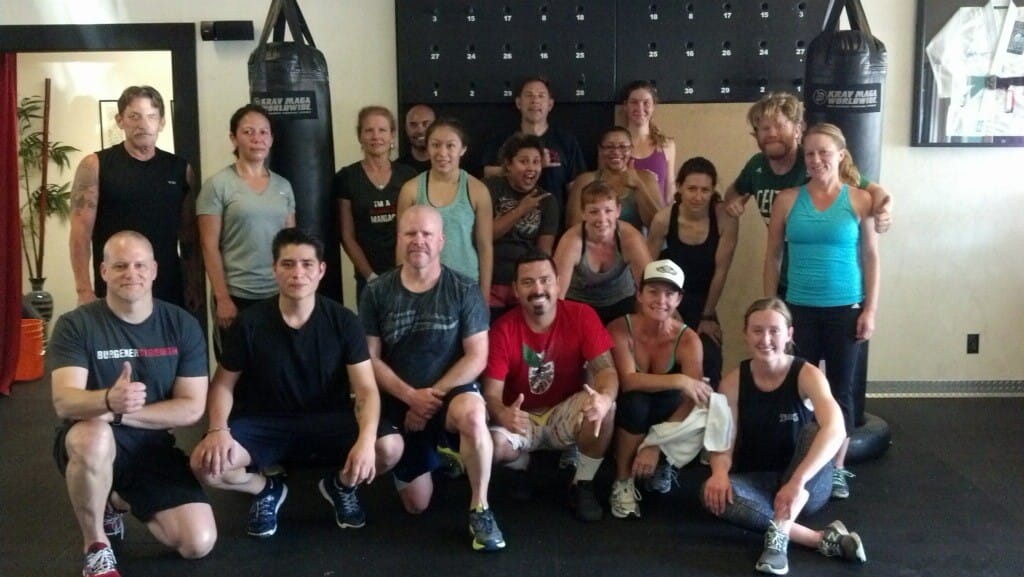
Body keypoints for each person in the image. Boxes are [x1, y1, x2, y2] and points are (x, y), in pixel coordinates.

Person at [190, 228, 403, 537]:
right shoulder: (250, 323)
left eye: (307, 264)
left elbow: (366, 390)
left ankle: (341, 486)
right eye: (288, 264)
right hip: (268, 423)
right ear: (274, 269)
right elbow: (222, 384)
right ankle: (265, 488)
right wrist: (217, 429)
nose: (298, 273)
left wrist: (367, 441)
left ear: (321, 270)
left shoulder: (344, 321)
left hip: (329, 420)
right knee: (204, 465)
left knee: (390, 447)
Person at [49, 231, 216, 577]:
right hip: (89, 437)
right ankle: (96, 546)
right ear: (104, 271)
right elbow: (65, 401)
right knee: (93, 437)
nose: (131, 273)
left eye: (140, 265)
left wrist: (118, 412)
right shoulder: (76, 325)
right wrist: (106, 399)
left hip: (151, 445)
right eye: (120, 265)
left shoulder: (181, 325)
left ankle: (114, 498)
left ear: (154, 270)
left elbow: (191, 407)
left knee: (197, 543)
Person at [359, 205, 505, 552]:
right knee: (417, 505)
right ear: (399, 239)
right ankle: (442, 455)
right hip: (400, 399)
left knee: (474, 415)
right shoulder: (377, 291)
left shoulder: (464, 289)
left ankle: (480, 508)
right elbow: (369, 360)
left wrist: (428, 399)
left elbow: (477, 356)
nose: (418, 241)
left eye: (426, 234)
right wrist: (411, 397)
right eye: (410, 233)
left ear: (441, 241)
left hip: (449, 395)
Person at [702, 298, 867, 575]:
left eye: (774, 331)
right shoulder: (733, 381)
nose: (765, 339)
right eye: (757, 331)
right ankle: (818, 538)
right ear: (746, 334)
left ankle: (778, 539)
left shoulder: (807, 374)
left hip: (807, 486)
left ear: (789, 334)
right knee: (712, 494)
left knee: (816, 430)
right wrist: (719, 473)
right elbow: (722, 439)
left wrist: (797, 481)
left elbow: (837, 428)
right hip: (760, 481)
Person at [765, 123, 880, 501]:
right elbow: (773, 255)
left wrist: (870, 309)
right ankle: (800, 463)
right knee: (797, 389)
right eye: (810, 154)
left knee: (840, 392)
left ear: (840, 155)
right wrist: (772, 309)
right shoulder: (787, 200)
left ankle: (837, 468)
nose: (816, 160)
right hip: (798, 309)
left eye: (824, 153)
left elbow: (871, 257)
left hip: (845, 309)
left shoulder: (859, 200)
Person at [484, 250, 617, 522]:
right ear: (516, 290)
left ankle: (583, 483)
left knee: (607, 409)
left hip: (564, 410)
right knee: (494, 445)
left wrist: (603, 398)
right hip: (522, 416)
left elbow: (606, 370)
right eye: (528, 282)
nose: (538, 289)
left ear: (558, 283)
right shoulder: (502, 329)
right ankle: (519, 466)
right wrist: (502, 413)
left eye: (544, 280)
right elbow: (491, 394)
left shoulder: (582, 315)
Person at [70, 85, 201, 314]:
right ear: (120, 120)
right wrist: (83, 290)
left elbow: (189, 236)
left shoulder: (180, 169)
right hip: (115, 289)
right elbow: (80, 234)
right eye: (134, 116)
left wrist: (194, 285)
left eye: (151, 116)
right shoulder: (96, 165)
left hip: (168, 289)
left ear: (162, 122)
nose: (143, 124)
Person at [606, 259, 713, 519]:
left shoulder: (688, 339)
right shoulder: (620, 327)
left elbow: (693, 397)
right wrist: (679, 380)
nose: (661, 300)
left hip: (667, 416)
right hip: (629, 411)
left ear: (679, 299)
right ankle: (622, 480)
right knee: (636, 402)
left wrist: (657, 444)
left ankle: (664, 462)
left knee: (700, 404)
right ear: (639, 294)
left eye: (669, 293)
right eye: (653, 291)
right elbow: (628, 380)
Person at [197, 103, 295, 359]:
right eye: (248, 132)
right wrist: (222, 298)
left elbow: (291, 244)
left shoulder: (284, 186)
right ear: (234, 138)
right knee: (236, 369)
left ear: (271, 138)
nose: (257, 138)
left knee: (277, 365)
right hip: (237, 294)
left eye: (263, 132)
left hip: (277, 293)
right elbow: (209, 245)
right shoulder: (217, 185)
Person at [723, 92, 892, 234]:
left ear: (797, 130)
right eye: (765, 128)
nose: (772, 134)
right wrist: (733, 202)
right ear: (756, 134)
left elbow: (876, 191)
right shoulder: (756, 165)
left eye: (780, 126)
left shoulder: (816, 162)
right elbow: (734, 192)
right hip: (787, 260)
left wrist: (883, 211)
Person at [647, 157, 738, 386]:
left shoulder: (725, 219)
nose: (698, 196)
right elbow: (647, 270)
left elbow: (721, 272)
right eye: (692, 189)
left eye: (705, 190)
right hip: (667, 301)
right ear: (679, 187)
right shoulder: (664, 219)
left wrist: (707, 316)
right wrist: (666, 309)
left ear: (713, 191)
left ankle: (707, 407)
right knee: (667, 361)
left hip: (703, 303)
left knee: (710, 358)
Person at [397, 117, 493, 301]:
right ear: (427, 148)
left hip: (465, 287)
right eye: (435, 145)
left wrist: (484, 298)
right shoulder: (410, 190)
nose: (442, 153)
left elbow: (485, 247)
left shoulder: (478, 191)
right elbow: (402, 244)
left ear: (462, 149)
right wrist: (402, 293)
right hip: (421, 287)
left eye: (450, 146)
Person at [336, 106, 418, 300]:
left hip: (407, 273)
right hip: (368, 278)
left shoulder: (408, 175)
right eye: (369, 130)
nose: (376, 136)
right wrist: (371, 277)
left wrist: (404, 272)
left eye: (382, 130)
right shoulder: (347, 177)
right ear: (360, 136)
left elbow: (416, 229)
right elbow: (347, 236)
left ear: (392, 135)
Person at [482, 76, 588, 224]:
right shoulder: (502, 138)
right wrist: (533, 166)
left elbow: (576, 188)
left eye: (541, 96)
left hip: (555, 225)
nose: (535, 100)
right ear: (518, 103)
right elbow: (487, 174)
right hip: (508, 223)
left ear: (550, 104)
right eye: (529, 95)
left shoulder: (566, 141)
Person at [554, 180, 651, 325]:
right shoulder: (571, 241)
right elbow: (556, 295)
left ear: (618, 211)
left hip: (621, 302)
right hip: (579, 305)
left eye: (608, 211)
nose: (602, 219)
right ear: (583, 213)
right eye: (594, 211)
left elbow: (649, 288)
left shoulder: (630, 238)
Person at [486, 133, 559, 318]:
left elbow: (543, 253)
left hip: (524, 283)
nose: (531, 167)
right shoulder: (490, 188)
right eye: (524, 161)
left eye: (536, 162)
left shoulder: (547, 201)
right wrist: (521, 210)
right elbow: (484, 235)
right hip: (489, 279)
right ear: (508, 164)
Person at [565, 126, 662, 231]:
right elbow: (573, 227)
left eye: (623, 147)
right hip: (594, 240)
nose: (616, 152)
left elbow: (659, 226)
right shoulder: (585, 180)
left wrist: (639, 186)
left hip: (635, 241)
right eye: (609, 147)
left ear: (631, 149)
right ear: (600, 150)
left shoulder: (646, 178)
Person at [621, 80, 676, 205]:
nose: (640, 108)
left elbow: (669, 193)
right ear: (625, 106)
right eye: (634, 102)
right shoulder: (614, 145)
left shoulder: (667, 145)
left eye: (646, 103)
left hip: (656, 215)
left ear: (653, 106)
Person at [395, 104, 435, 173]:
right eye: (413, 125)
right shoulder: (397, 170)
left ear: (435, 127)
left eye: (425, 124)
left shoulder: (446, 165)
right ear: (406, 128)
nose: (420, 130)